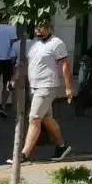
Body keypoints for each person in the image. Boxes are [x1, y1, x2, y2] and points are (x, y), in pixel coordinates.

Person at [18, 17, 73, 161]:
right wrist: (14, 79)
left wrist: (68, 88)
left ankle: (23, 155)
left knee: (34, 118)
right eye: (36, 27)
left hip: (47, 86)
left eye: (41, 27)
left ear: (49, 28)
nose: (38, 29)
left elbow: (65, 65)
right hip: (34, 87)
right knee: (46, 118)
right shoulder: (34, 44)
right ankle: (62, 146)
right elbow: (24, 63)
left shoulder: (56, 43)